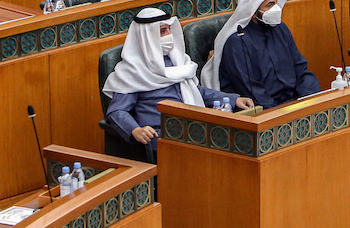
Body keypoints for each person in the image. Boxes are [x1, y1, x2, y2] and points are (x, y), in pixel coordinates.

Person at [104, 8, 254, 154]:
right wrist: (135, 130)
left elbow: (196, 91)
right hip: (162, 135)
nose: (169, 35)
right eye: (163, 31)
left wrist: (234, 100)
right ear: (146, 37)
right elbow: (117, 111)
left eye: (169, 29)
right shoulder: (133, 71)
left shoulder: (177, 61)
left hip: (191, 126)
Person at [200, 0, 320, 108]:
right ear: (253, 12)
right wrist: (281, 113)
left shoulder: (281, 29)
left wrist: (310, 99)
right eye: (270, 5)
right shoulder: (237, 41)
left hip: (293, 102)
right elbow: (251, 90)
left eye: (276, 3)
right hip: (263, 109)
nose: (276, 9)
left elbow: (301, 69)